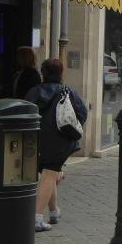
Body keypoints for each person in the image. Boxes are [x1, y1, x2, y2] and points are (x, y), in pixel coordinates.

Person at [25, 58, 88, 232]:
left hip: (36, 138)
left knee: (49, 173)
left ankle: (53, 212)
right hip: (59, 139)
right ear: (61, 73)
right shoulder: (67, 91)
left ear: (42, 73)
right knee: (50, 175)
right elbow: (82, 113)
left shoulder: (33, 92)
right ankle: (37, 218)